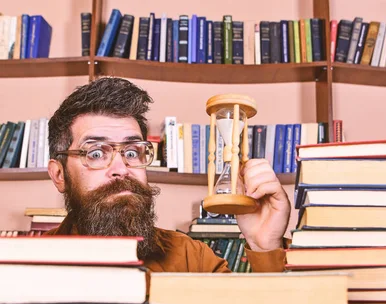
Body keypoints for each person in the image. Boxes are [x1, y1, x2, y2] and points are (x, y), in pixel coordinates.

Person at [47, 77, 290, 273]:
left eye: (132, 152)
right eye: (96, 153)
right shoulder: (19, 265)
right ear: (59, 175)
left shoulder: (192, 260)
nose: (121, 169)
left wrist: (264, 246)